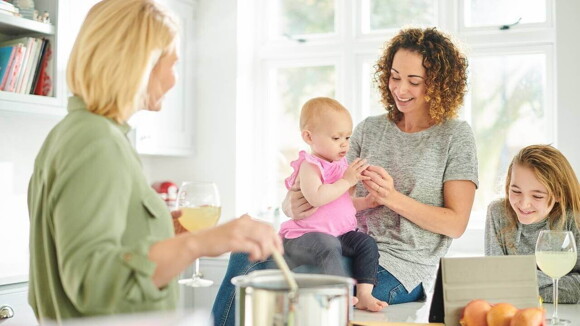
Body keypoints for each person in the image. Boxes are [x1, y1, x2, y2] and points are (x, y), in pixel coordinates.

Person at [27, 0, 282, 323]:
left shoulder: (76, 133)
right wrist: (198, 242)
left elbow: (107, 250)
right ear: (137, 62)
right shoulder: (96, 141)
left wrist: (166, 230)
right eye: (171, 64)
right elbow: (92, 281)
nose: (174, 80)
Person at [212, 27, 478, 326]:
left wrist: (391, 198)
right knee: (245, 254)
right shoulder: (368, 129)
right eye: (394, 76)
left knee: (297, 281)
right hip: (339, 243)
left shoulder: (455, 136)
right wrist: (291, 203)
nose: (400, 89)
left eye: (414, 81)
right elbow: (331, 187)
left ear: (439, 84)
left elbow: (455, 224)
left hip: (397, 268)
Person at [280, 97, 387, 311]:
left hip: (337, 234)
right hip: (305, 237)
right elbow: (318, 198)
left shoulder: (340, 165)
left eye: (347, 137)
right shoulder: (310, 166)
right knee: (328, 245)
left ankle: (365, 293)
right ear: (309, 137)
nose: (344, 144)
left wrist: (366, 202)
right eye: (336, 137)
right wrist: (347, 180)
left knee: (366, 243)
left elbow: (340, 204)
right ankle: (339, 294)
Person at [485, 144, 580, 303]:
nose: (524, 204)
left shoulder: (574, 218)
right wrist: (555, 280)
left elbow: (578, 290)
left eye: (537, 196)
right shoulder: (497, 212)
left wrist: (518, 282)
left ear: (558, 194)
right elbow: (496, 282)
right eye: (516, 191)